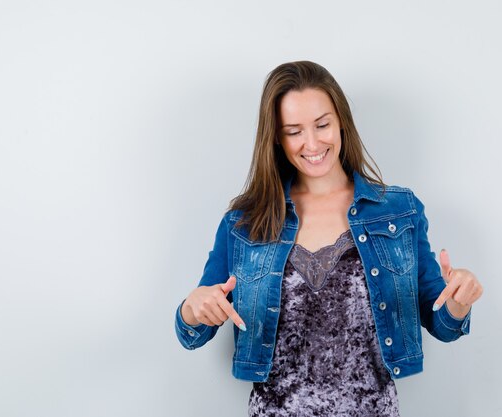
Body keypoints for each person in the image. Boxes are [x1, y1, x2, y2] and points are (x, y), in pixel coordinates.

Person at [174, 60, 483, 416]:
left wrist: (460, 300)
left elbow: (442, 323)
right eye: (294, 131)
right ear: (276, 136)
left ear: (341, 122)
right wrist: (193, 308)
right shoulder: (244, 223)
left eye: (322, 124)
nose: (312, 142)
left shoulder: (399, 211)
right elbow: (190, 332)